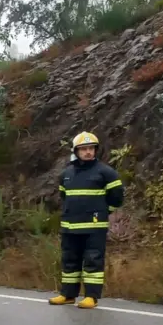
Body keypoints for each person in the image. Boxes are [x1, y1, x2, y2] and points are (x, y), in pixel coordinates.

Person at [49, 132, 124, 309]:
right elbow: (64, 197)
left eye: (91, 148)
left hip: (94, 227)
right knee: (69, 261)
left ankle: (91, 296)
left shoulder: (106, 173)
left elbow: (117, 198)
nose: (88, 152)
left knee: (93, 260)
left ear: (96, 150)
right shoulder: (66, 174)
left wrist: (103, 212)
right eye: (84, 149)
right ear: (76, 151)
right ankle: (67, 295)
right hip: (70, 227)